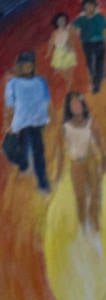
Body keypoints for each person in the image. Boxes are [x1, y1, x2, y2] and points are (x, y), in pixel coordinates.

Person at [51, 90, 106, 232]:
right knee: (80, 197)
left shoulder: (90, 122)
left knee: (95, 193)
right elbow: (60, 153)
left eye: (78, 103)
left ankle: (95, 223)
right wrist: (57, 174)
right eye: (73, 104)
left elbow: (99, 140)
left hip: (91, 161)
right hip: (76, 165)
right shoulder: (65, 128)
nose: (76, 106)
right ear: (69, 108)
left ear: (83, 105)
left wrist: (104, 158)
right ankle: (83, 226)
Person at [4, 51, 52, 193]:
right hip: (20, 123)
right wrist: (9, 125)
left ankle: (43, 182)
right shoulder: (13, 83)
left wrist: (50, 119)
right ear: (19, 66)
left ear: (33, 66)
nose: (27, 68)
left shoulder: (40, 82)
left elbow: (47, 102)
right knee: (9, 148)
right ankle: (23, 164)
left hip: (38, 122)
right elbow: (10, 106)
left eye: (29, 65)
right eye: (24, 65)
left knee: (38, 152)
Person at [73, 0, 106, 94]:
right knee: (91, 63)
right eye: (87, 6)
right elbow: (73, 28)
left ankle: (97, 85)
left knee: (99, 63)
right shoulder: (81, 19)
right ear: (84, 7)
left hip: (100, 43)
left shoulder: (100, 17)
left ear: (95, 7)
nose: (89, 8)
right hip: (87, 44)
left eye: (91, 6)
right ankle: (96, 78)